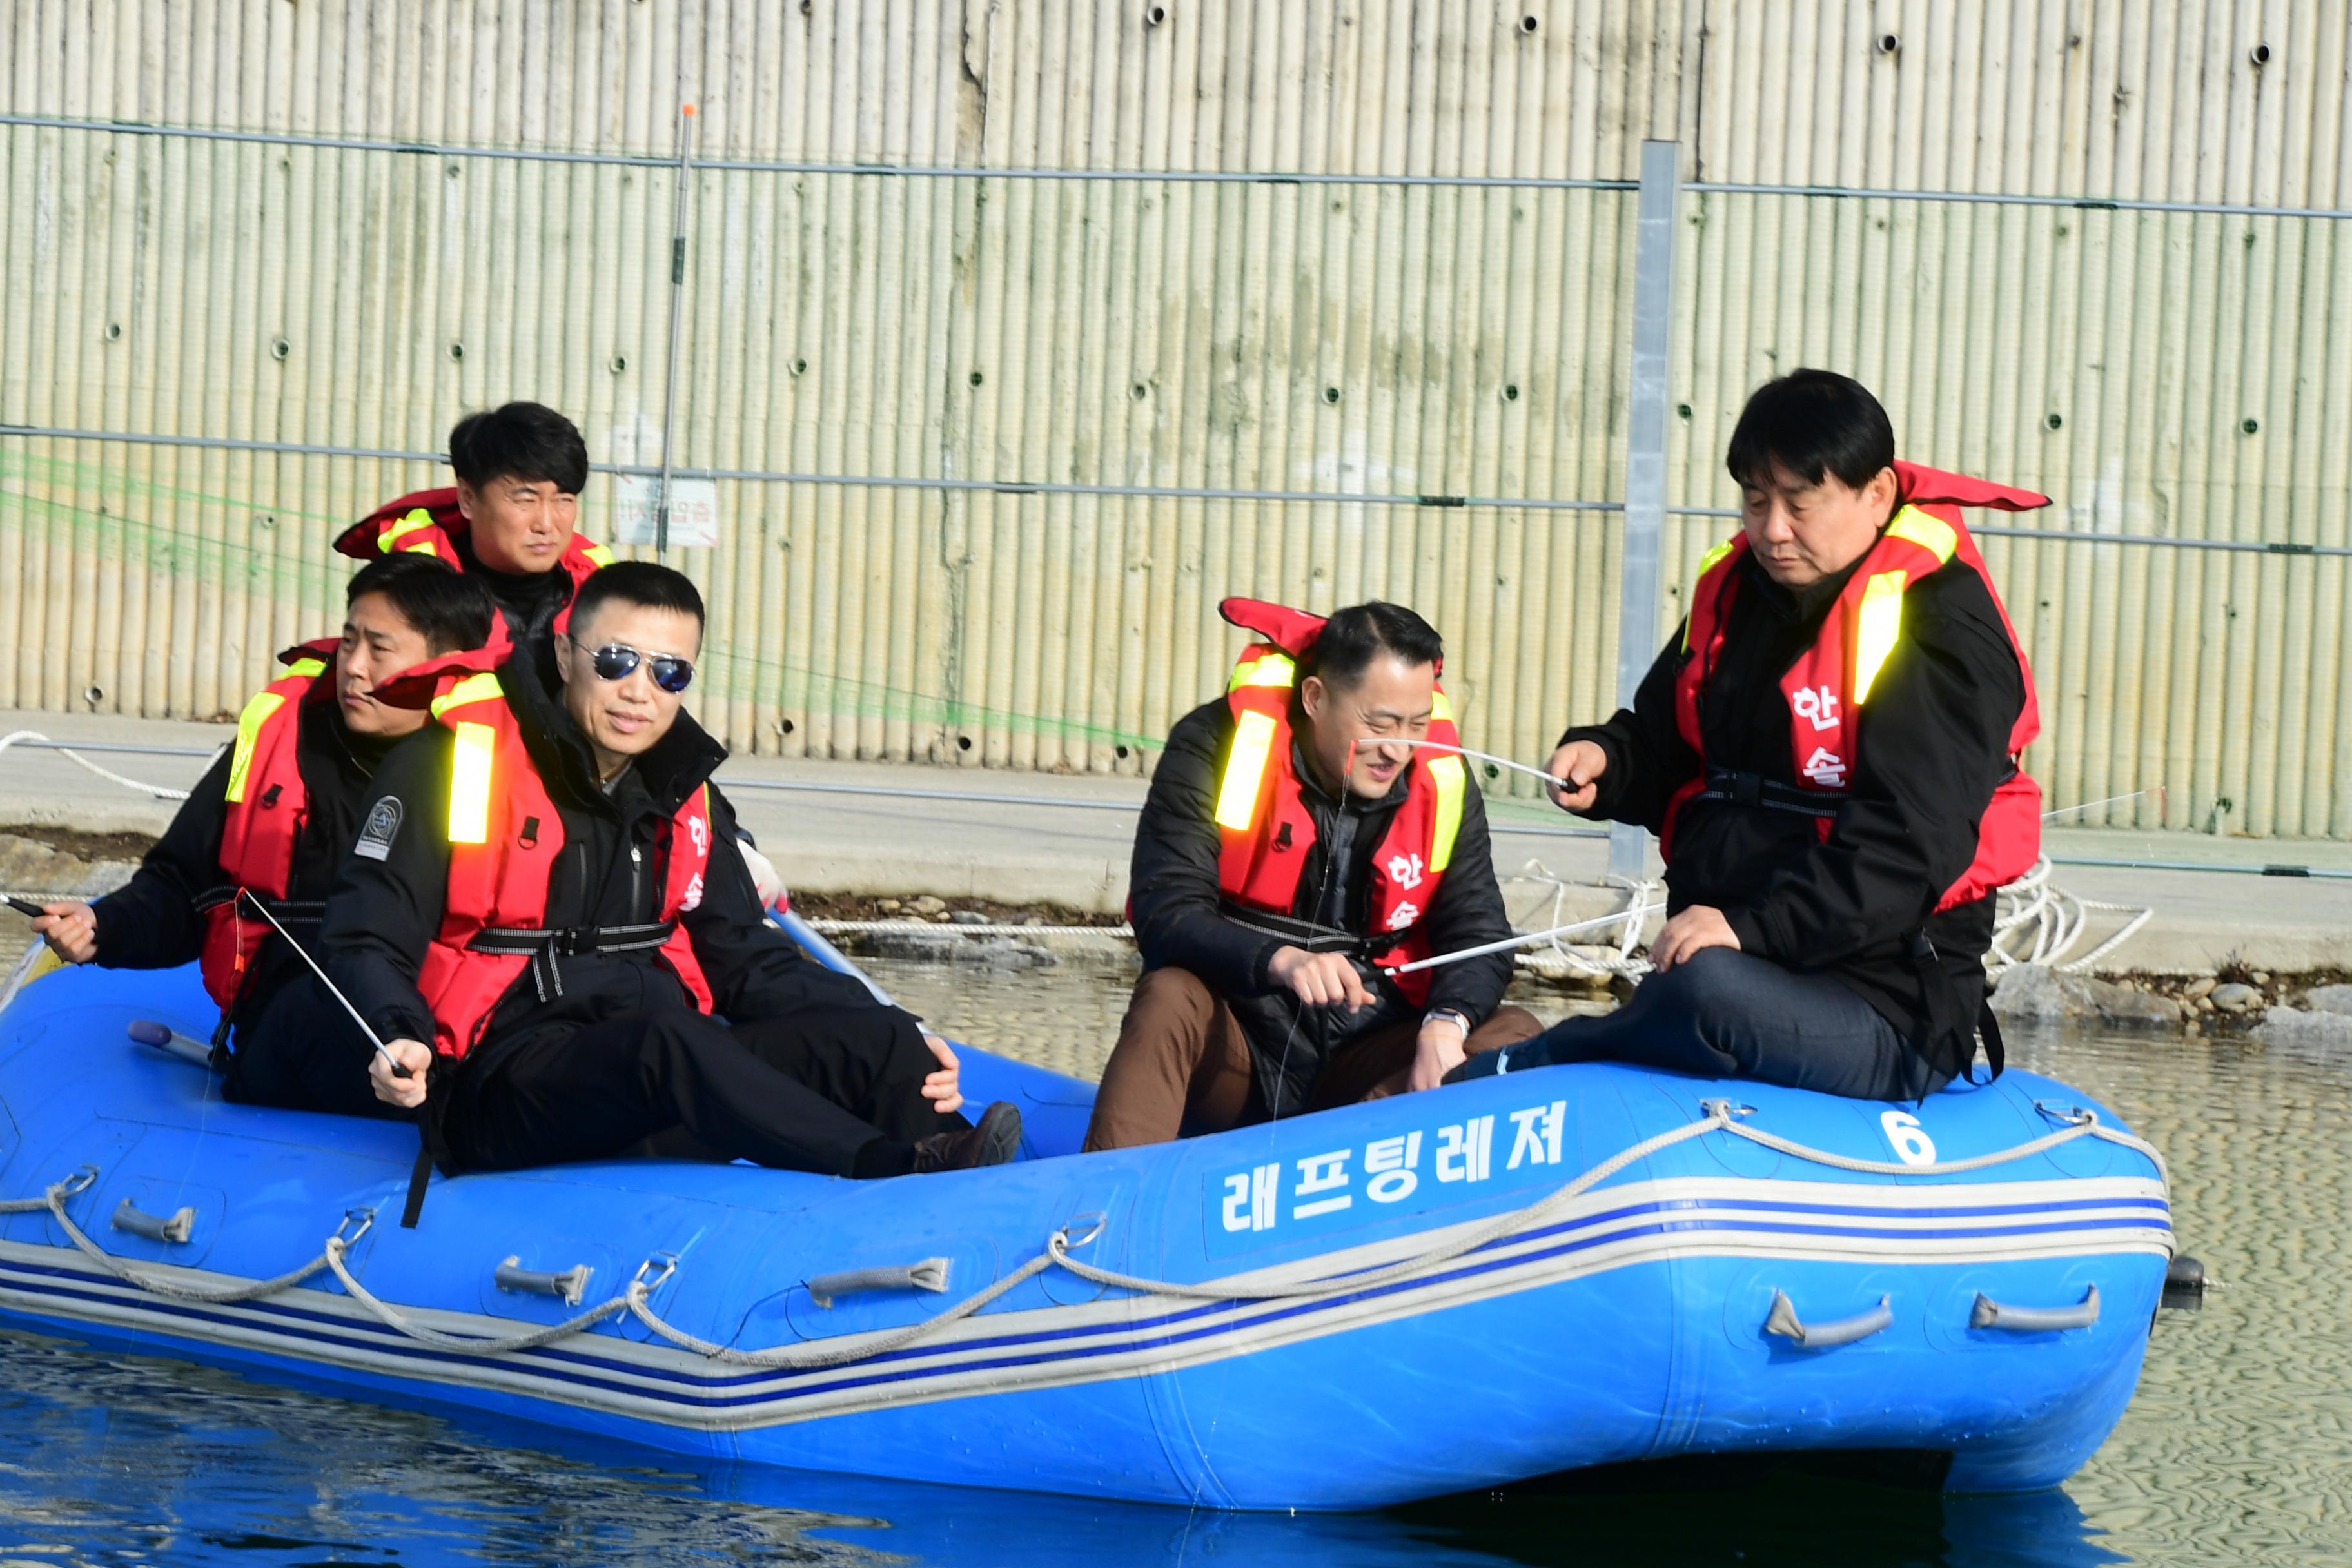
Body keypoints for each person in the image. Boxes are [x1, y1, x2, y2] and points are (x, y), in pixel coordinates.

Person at [325, 560, 1020, 1181]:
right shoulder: (452, 762)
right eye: (617, 661)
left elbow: (746, 954)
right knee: (669, 1040)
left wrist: (890, 1019)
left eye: (668, 672)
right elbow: (367, 932)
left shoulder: (683, 792)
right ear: (567, 654)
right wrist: (398, 1031)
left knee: (880, 1038)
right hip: (497, 1078)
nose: (639, 691)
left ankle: (967, 1187)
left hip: (653, 1065)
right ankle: (885, 1167)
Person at [1461, 369, 2046, 1100]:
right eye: (1756, 500)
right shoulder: (1738, 590)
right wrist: (1609, 760)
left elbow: (1906, 849)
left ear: (1878, 494)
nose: (1771, 529)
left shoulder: (1943, 629)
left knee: (1705, 990)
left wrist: (1750, 928)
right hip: (1741, 960)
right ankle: (1517, 1068)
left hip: (1884, 1003)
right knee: (1701, 983)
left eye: (1800, 503)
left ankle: (1533, 1065)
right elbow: (1670, 749)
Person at [31, 556, 498, 1115]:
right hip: (298, 1030)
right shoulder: (282, 745)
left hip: (445, 1042)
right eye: (349, 642)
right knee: (327, 1000)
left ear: (447, 667)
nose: (352, 667)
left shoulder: (498, 770)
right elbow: (182, 886)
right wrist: (104, 926)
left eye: (380, 650)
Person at [1084, 598, 1540, 1151]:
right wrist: (1283, 961)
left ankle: (1364, 1168)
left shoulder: (1443, 778)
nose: (1398, 748)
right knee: (1168, 994)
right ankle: (1102, 1209)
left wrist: (1446, 1022)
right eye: (1379, 723)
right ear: (1316, 698)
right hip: (1239, 1051)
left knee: (1515, 1033)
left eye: (1417, 724)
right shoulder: (1213, 743)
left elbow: (1482, 932)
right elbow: (1167, 911)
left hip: (1369, 1063)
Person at [336, 401, 612, 662]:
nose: (546, 524)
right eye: (525, 499)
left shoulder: (603, 594)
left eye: (564, 500)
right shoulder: (402, 597)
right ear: (468, 498)